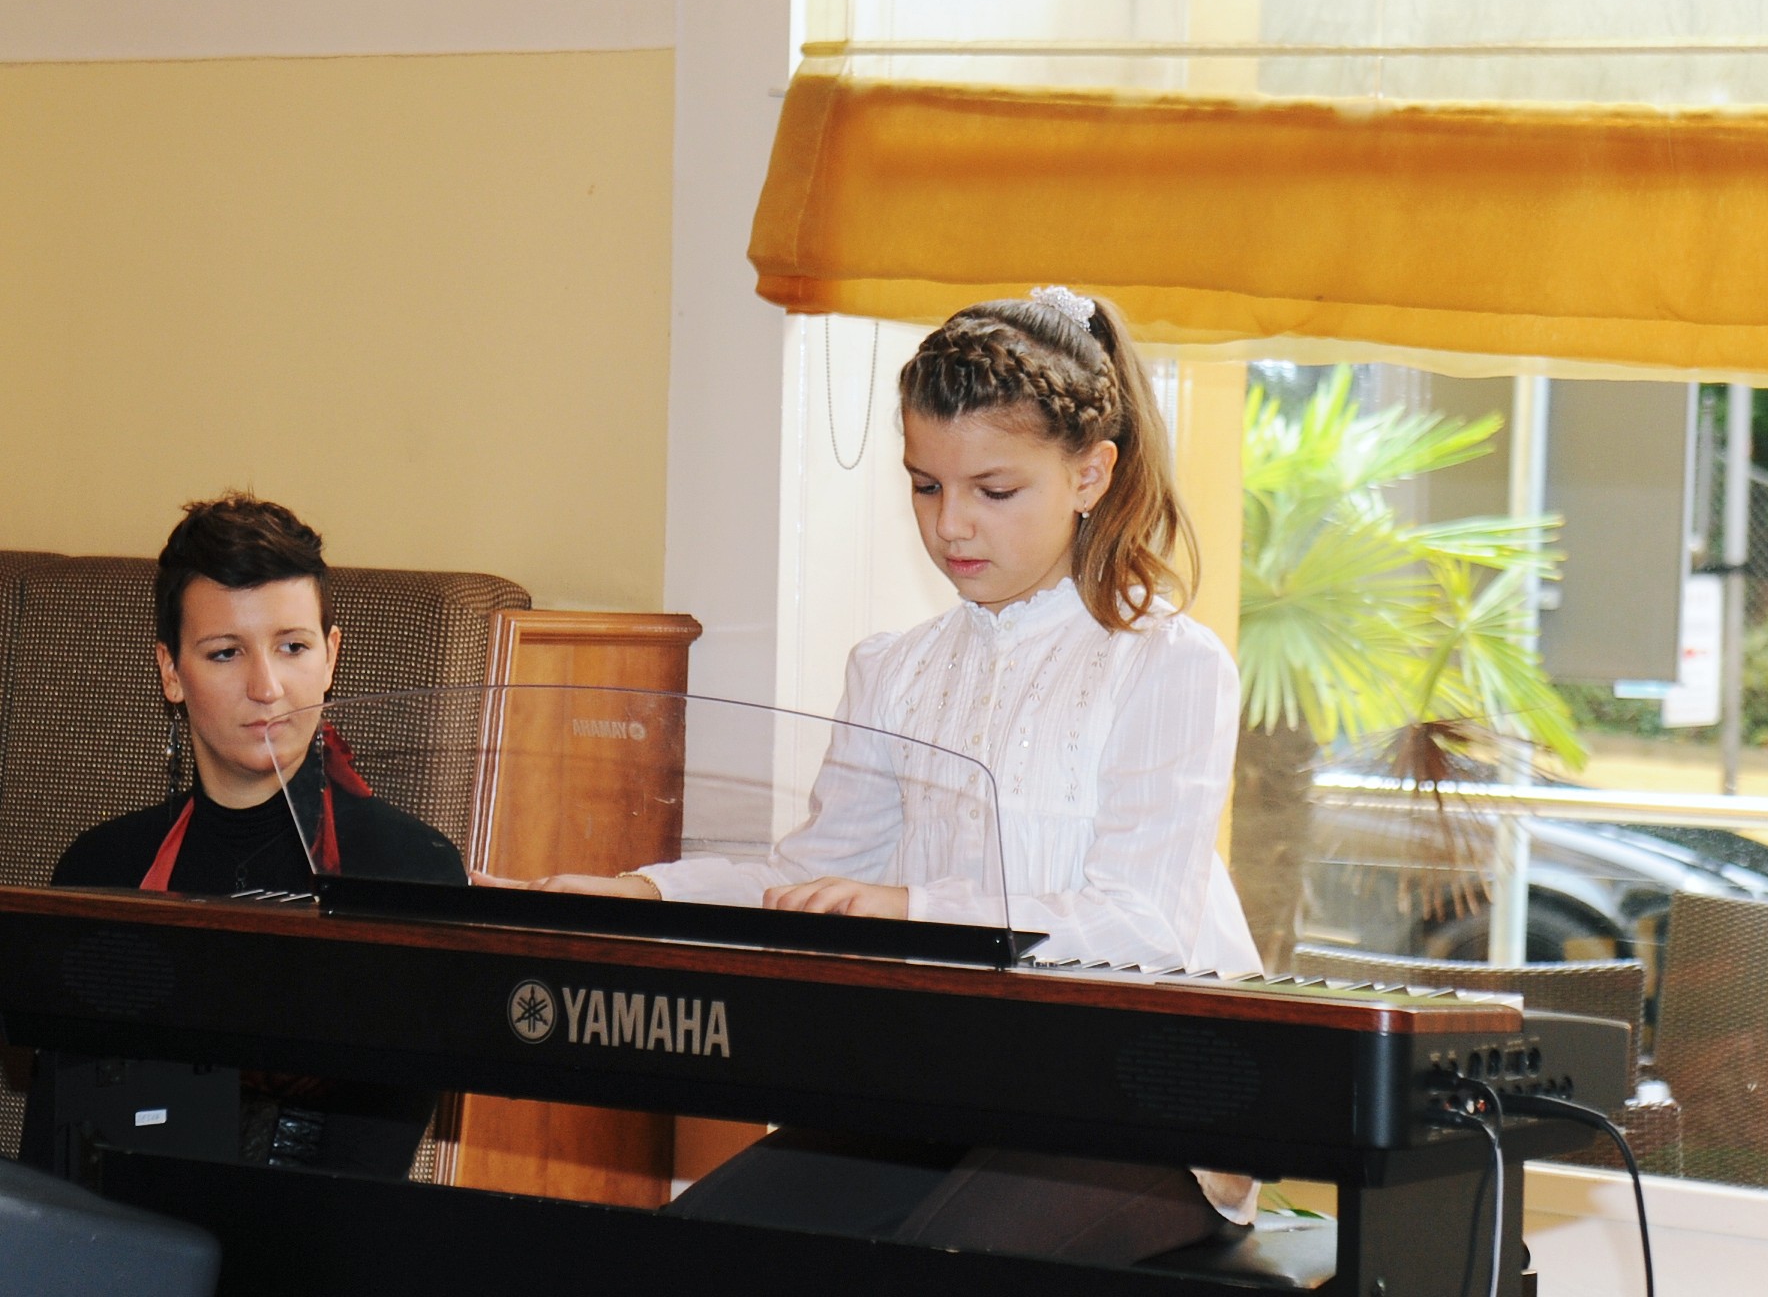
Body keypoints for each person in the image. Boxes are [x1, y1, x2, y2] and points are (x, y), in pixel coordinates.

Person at [502, 287, 1262, 1263]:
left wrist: (909, 907)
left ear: (1090, 473)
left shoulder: (1168, 663)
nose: (951, 526)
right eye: (924, 485)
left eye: (993, 491)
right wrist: (642, 895)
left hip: (1139, 1094)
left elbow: (1140, 928)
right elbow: (813, 880)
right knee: (681, 1254)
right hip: (947, 1075)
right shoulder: (893, 669)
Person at [42, 494, 464, 1177]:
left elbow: (364, 1182)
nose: (267, 687)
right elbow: (55, 1164)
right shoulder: (99, 871)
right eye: (225, 653)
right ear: (171, 672)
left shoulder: (409, 872)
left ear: (331, 657)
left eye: (292, 647)